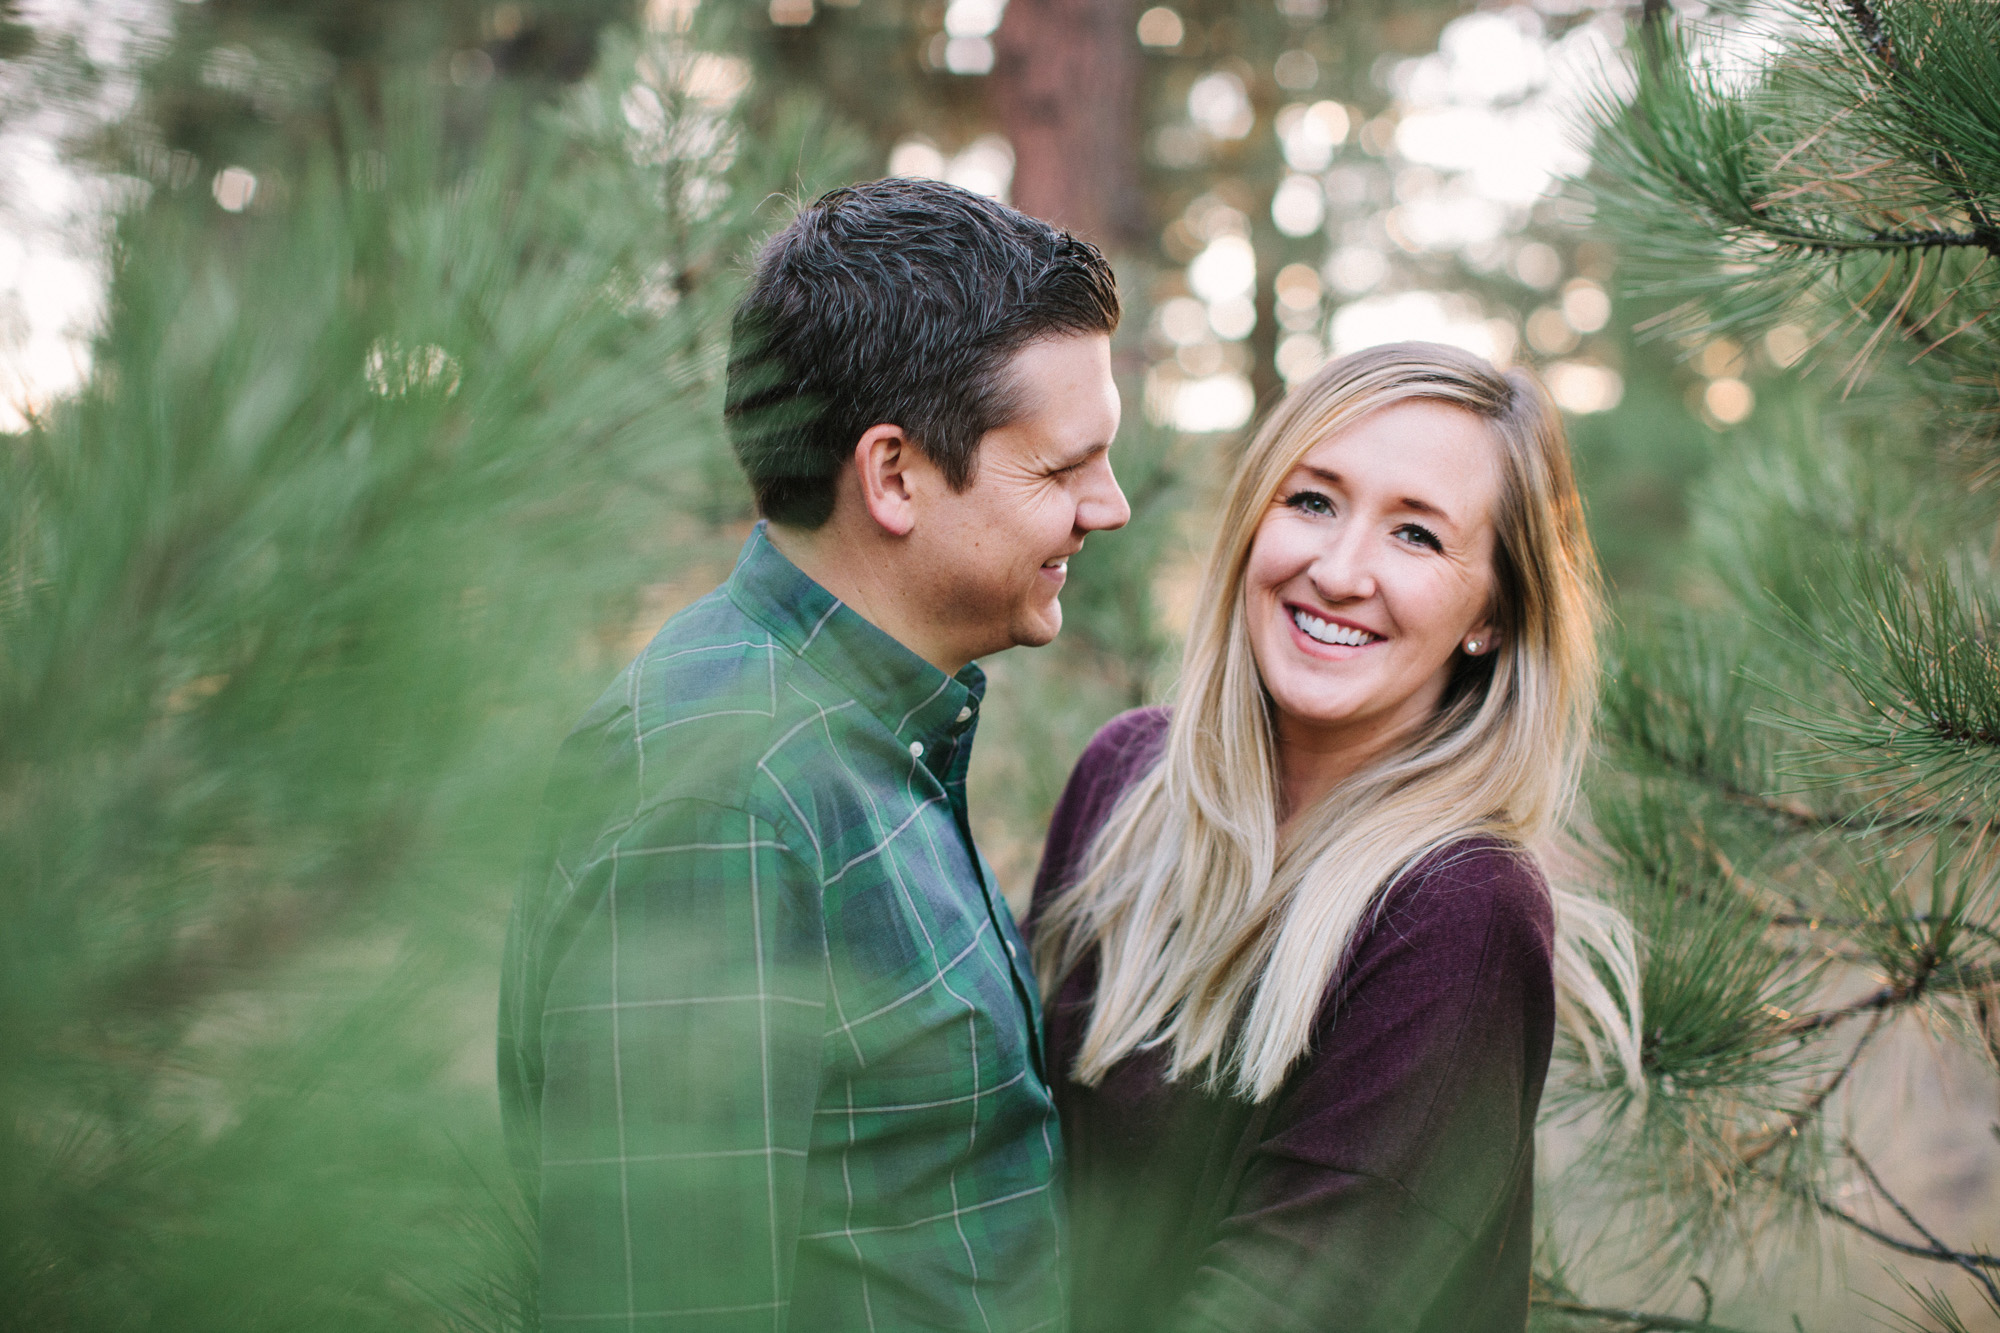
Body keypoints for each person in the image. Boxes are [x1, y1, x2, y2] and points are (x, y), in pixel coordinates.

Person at [498, 177, 1131, 1332]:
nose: (1112, 506)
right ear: (891, 474)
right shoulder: (722, 793)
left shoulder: (861, 729)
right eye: (1060, 469)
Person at [1028, 342, 1641, 1333]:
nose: (1338, 569)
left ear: (1490, 611)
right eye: (1311, 500)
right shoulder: (1123, 782)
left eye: (1414, 534)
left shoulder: (1459, 911)